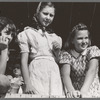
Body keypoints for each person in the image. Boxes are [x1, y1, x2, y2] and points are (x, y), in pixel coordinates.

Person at [18, 2, 64, 96]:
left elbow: (58, 61)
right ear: (38, 13)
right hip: (36, 72)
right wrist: (27, 83)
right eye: (45, 13)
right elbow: (23, 61)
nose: (48, 17)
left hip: (53, 75)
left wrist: (57, 52)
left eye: (51, 15)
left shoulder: (55, 37)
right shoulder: (28, 33)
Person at [59, 23, 100, 98]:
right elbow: (65, 75)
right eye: (80, 38)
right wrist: (71, 91)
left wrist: (83, 91)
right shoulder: (66, 54)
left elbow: (92, 70)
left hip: (91, 91)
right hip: (74, 93)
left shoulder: (92, 50)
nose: (84, 41)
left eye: (86, 38)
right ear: (72, 40)